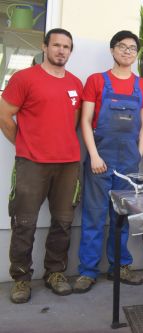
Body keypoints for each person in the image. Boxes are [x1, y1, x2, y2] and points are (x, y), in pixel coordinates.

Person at [0, 28, 83, 303]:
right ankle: (21, 278)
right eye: (57, 45)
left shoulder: (75, 83)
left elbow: (72, 121)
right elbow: (4, 116)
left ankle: (55, 273)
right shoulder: (24, 78)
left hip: (68, 163)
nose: (61, 51)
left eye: (67, 47)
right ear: (44, 46)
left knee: (63, 222)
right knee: (24, 222)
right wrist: (25, 144)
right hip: (32, 163)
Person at [74, 31, 143, 293]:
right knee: (93, 215)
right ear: (112, 50)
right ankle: (87, 271)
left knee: (122, 217)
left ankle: (120, 265)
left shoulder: (142, 86)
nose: (127, 52)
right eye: (122, 47)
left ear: (136, 54)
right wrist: (93, 155)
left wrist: (138, 154)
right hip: (100, 159)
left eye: (132, 48)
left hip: (128, 162)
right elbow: (85, 121)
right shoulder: (96, 81)